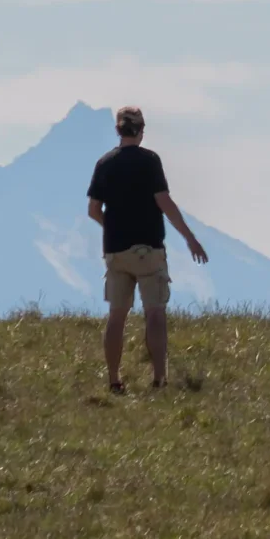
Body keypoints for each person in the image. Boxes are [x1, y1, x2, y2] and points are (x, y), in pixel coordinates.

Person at [86, 105, 209, 393]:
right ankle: (159, 379)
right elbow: (164, 202)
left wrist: (111, 227)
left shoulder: (105, 163)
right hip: (149, 249)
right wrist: (190, 238)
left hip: (116, 251)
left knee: (117, 316)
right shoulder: (150, 161)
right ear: (141, 131)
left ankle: (114, 381)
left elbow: (93, 209)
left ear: (118, 130)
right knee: (154, 313)